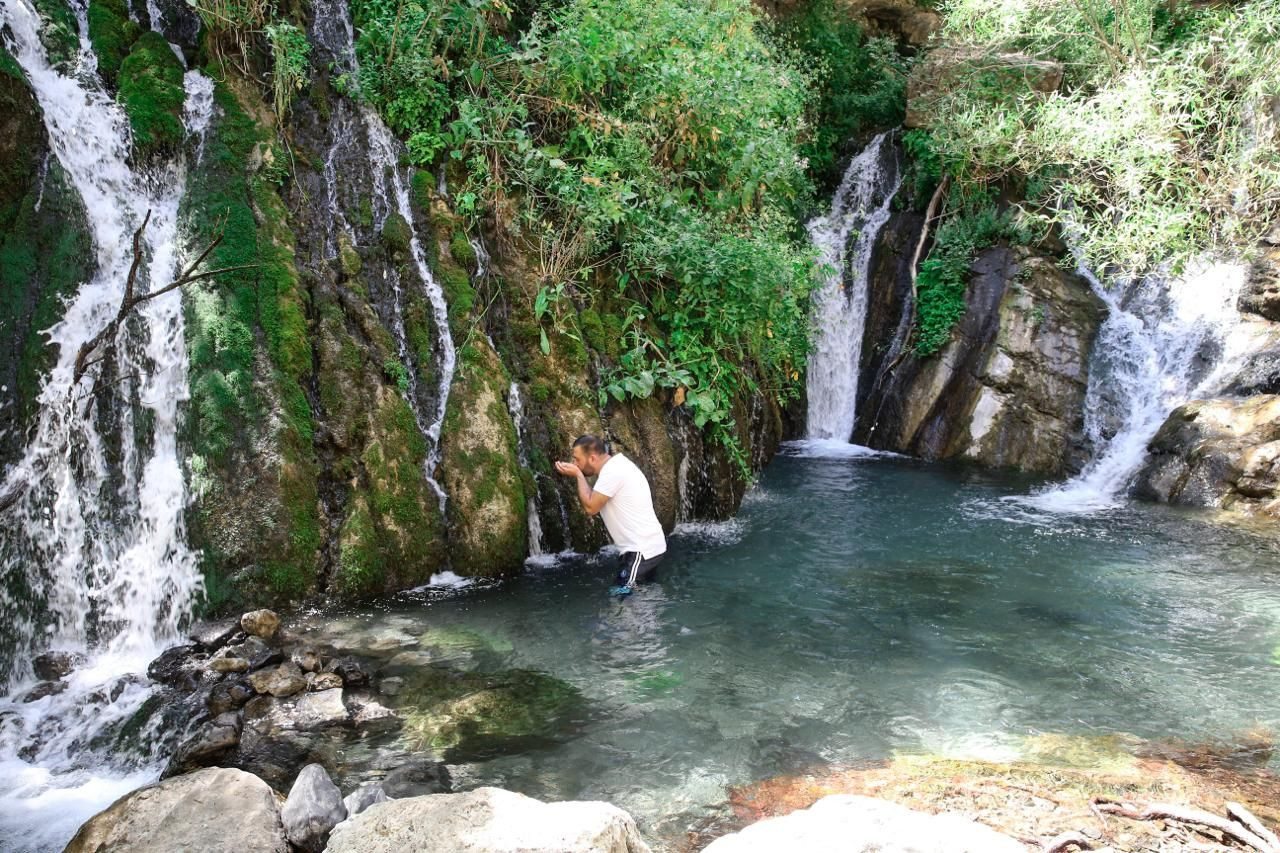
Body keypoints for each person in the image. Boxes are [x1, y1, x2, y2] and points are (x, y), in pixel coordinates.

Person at [554, 434, 666, 594]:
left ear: (592, 458)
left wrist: (578, 475)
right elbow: (596, 498)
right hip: (649, 547)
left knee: (620, 601)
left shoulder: (612, 472)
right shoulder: (617, 465)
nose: (574, 464)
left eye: (577, 459)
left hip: (641, 551)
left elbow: (591, 507)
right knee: (640, 597)